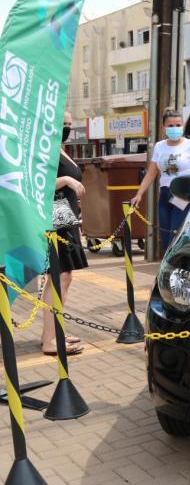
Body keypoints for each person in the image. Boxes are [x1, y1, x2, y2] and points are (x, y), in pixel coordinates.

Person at [131, 108, 190, 251]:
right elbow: (151, 173)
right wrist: (139, 194)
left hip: (182, 196)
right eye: (171, 126)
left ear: (182, 126)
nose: (175, 128)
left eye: (178, 125)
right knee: (165, 238)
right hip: (164, 195)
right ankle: (168, 270)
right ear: (164, 127)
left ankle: (177, 268)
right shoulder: (159, 146)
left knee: (176, 235)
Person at [42, 111, 86, 355]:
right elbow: (42, 183)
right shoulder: (46, 149)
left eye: (70, 123)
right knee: (59, 277)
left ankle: (53, 332)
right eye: (62, 123)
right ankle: (50, 340)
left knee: (63, 278)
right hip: (56, 215)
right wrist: (67, 179)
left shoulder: (60, 149)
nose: (67, 128)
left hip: (66, 215)